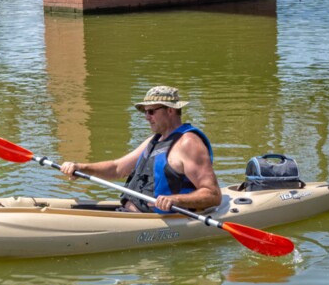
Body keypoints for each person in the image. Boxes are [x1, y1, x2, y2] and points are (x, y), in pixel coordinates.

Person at [60, 86, 222, 213]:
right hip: (132, 214)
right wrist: (81, 167)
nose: (146, 117)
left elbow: (213, 194)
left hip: (160, 221)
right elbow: (117, 169)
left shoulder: (189, 143)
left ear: (170, 110)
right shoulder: (156, 140)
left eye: (151, 111)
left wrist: (176, 200)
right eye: (145, 112)